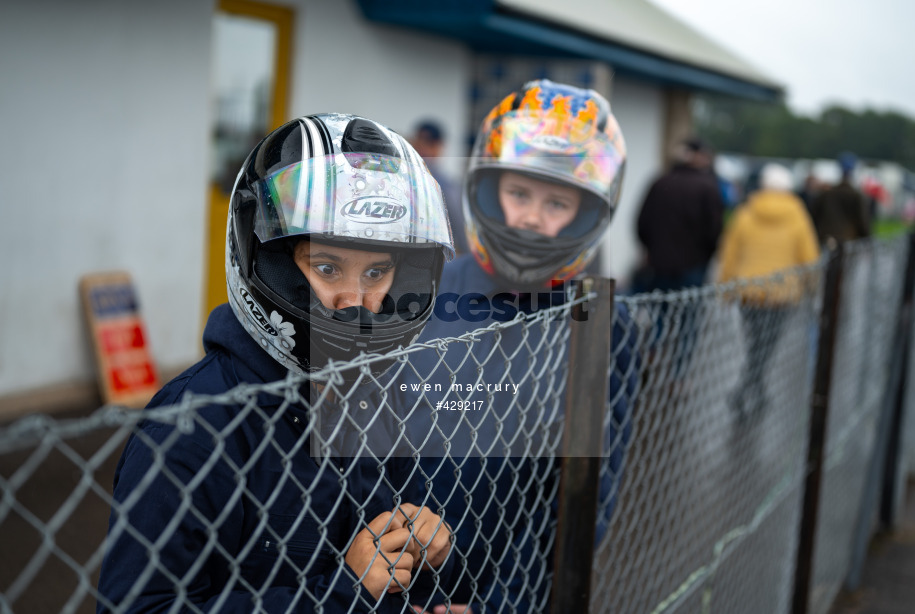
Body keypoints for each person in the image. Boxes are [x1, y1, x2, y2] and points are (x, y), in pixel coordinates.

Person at [97, 114, 457, 613]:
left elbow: (390, 572)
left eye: (377, 272)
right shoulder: (192, 426)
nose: (355, 299)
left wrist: (429, 551)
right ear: (270, 261)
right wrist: (339, 594)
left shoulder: (376, 399)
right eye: (327, 268)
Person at [394, 80, 637, 613]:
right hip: (394, 580)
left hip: (507, 591)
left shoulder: (597, 322)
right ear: (487, 188)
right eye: (519, 194)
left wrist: (502, 604)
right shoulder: (420, 293)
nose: (531, 218)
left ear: (588, 213)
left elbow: (583, 504)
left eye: (558, 202)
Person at [716, 163, 820, 419]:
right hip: (781, 295)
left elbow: (729, 252)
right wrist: (812, 287)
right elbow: (809, 256)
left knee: (755, 344)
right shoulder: (798, 215)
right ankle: (745, 392)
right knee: (765, 347)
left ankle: (752, 391)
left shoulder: (746, 213)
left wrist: (726, 288)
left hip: (748, 291)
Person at [635, 137, 724, 293]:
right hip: (694, 265)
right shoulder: (708, 187)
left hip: (660, 265)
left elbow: (642, 224)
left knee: (660, 311)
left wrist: (653, 250)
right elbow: (714, 229)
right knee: (687, 313)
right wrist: (706, 255)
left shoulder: (660, 182)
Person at [410, 119, 468, 255]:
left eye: (427, 144)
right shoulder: (445, 184)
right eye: (419, 143)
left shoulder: (446, 184)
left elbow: (459, 227)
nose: (422, 149)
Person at [810, 152, 871, 246]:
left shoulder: (826, 194)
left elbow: (813, 218)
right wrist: (867, 239)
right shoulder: (856, 196)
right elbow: (862, 222)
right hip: (847, 242)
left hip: (825, 240)